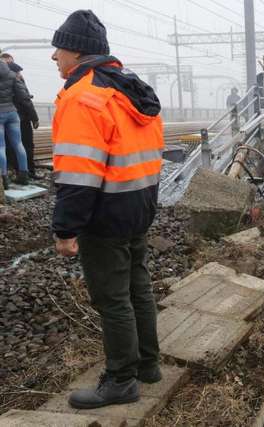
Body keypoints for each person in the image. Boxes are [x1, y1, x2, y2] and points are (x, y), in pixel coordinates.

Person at [50, 10, 164, 409]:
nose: (54, 58)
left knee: (112, 298)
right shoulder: (130, 90)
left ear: (77, 52)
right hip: (139, 204)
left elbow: (79, 175)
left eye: (59, 49)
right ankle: (148, 365)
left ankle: (120, 380)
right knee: (138, 287)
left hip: (105, 214)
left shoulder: (83, 98)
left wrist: (65, 231)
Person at [1, 53, 40, 179]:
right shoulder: (14, 77)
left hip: (3, 115)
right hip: (16, 116)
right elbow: (25, 99)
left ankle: (7, 176)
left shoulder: (14, 76)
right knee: (21, 145)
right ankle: (25, 174)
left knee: (4, 147)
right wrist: (34, 117)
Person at [0, 57, 31, 189]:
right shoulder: (12, 75)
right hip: (12, 113)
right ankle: (24, 176)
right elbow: (22, 95)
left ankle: (4, 179)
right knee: (18, 143)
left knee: (1, 146)